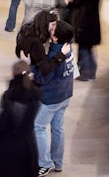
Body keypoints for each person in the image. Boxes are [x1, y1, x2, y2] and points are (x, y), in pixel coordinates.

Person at [33, 20, 74, 176]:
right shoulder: (68, 48)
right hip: (65, 94)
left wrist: (32, 69)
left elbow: (43, 77)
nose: (50, 27)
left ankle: (45, 163)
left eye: (54, 27)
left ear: (55, 38)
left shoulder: (53, 54)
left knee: (38, 127)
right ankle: (57, 162)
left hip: (51, 98)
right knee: (58, 129)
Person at [0, 60, 41, 177]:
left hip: (8, 147)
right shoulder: (35, 95)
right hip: (27, 146)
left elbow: (2, 124)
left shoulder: (8, 96)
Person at [69, 0, 101, 81]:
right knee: (88, 48)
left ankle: (85, 72)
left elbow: (79, 3)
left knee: (83, 48)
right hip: (93, 22)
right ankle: (92, 71)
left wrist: (72, 0)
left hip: (84, 21)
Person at [16, 10, 70, 76]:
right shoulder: (36, 42)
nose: (55, 28)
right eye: (53, 25)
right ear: (45, 25)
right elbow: (45, 68)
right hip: (32, 73)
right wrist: (61, 54)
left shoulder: (28, 28)